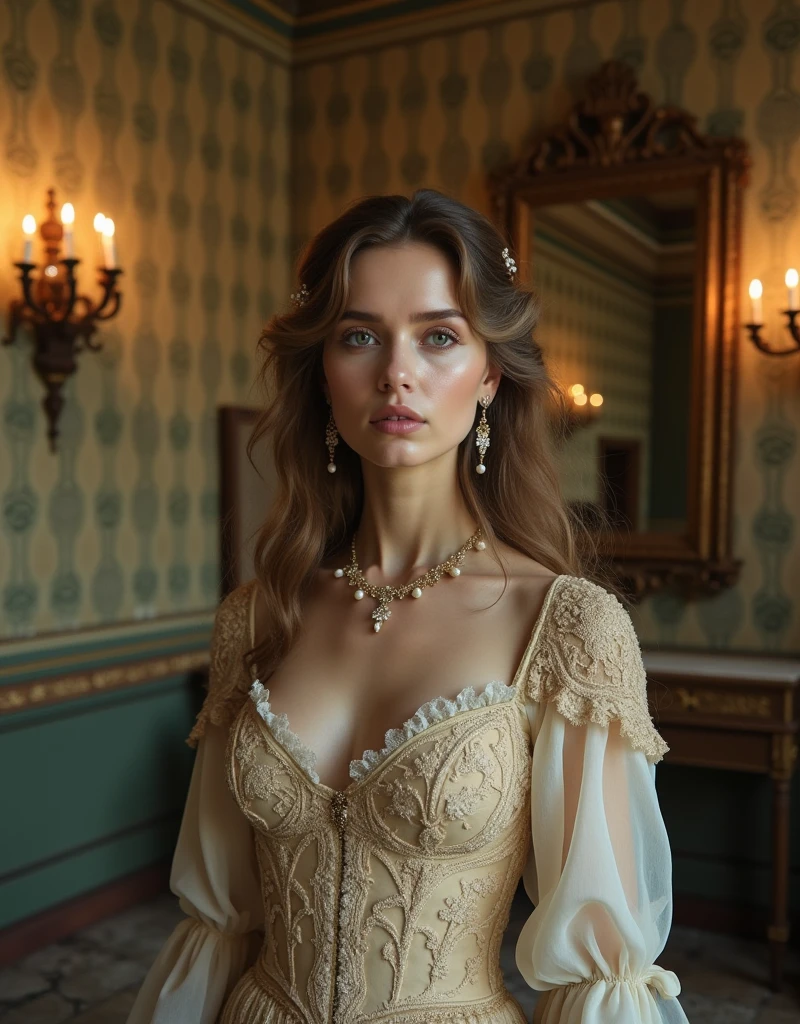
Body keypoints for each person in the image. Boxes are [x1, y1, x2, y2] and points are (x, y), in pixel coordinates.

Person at [127, 189, 689, 1024]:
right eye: (359, 336)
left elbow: (598, 973)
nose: (396, 371)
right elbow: (220, 922)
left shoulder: (565, 626)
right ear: (324, 370)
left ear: (490, 374)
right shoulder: (258, 616)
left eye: (438, 337)